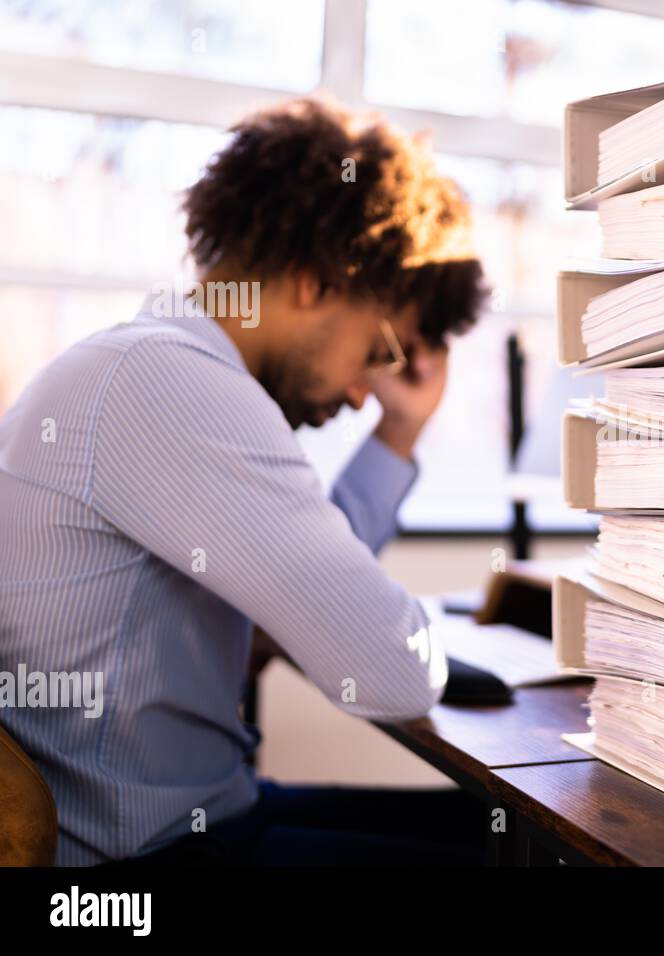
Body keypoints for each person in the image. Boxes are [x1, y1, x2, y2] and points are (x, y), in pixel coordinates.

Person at [0, 98, 489, 865]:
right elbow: (391, 671)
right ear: (318, 279)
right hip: (135, 868)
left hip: (206, 815)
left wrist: (401, 431)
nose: (367, 392)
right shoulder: (172, 383)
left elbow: (309, 599)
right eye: (377, 349)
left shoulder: (145, 367)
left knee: (480, 832)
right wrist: (417, 629)